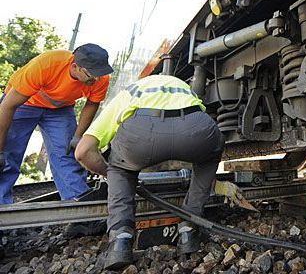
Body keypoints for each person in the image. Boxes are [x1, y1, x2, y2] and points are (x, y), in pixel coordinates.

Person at [74, 74, 224, 270]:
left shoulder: (129, 93)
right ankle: (189, 228)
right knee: (211, 152)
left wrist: (111, 172)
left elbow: (83, 151)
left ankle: (120, 240)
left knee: (120, 168)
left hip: (143, 136)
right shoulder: (181, 86)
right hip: (195, 129)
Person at [0, 44, 113, 204]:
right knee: (8, 156)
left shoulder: (100, 78)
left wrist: (77, 136)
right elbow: (7, 106)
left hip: (60, 109)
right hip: (25, 103)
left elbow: (92, 104)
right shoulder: (46, 65)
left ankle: (79, 205)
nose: (95, 79)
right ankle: (2, 209)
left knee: (66, 154)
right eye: (91, 75)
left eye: (99, 74)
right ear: (75, 67)